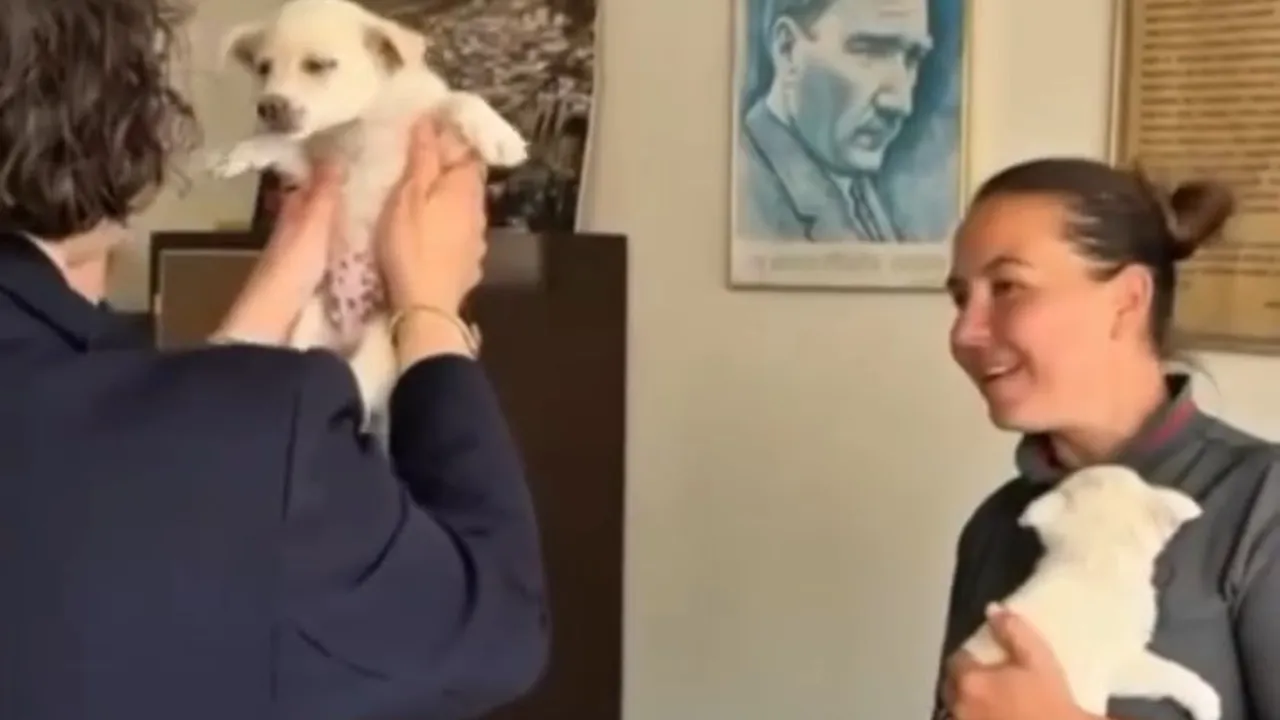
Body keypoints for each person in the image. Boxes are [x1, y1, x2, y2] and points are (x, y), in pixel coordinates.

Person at [0, 1, 548, 719]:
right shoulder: (263, 437)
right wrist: (430, 310)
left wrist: (281, 287)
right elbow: (495, 628)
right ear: (110, 130)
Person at [932, 157, 1280, 720]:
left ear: (1128, 301)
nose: (964, 332)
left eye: (1008, 287)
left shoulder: (1263, 506)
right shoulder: (996, 527)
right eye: (959, 297)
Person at [736, 0, 930, 243]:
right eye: (870, 51)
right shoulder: (747, 195)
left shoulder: (860, 194)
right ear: (788, 49)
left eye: (912, 58)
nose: (901, 104)